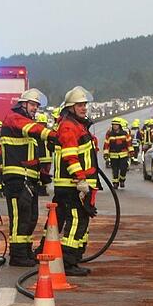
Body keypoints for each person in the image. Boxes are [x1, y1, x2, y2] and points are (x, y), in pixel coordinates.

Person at [1, 89, 53, 267]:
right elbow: (35, 129)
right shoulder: (14, 118)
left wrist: (43, 174)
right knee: (19, 217)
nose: (35, 109)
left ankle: (25, 250)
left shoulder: (27, 123)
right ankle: (17, 255)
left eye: (37, 106)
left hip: (28, 178)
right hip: (16, 177)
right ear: (22, 104)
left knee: (30, 217)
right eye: (32, 105)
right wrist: (53, 134)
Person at [54, 86, 100, 276]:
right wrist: (80, 178)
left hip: (82, 185)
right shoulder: (68, 126)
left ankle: (75, 258)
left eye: (84, 105)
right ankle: (67, 262)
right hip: (72, 185)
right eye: (79, 105)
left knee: (81, 222)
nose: (83, 108)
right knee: (74, 223)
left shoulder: (78, 125)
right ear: (71, 107)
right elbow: (70, 156)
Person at [104, 117, 133, 188]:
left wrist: (131, 151)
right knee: (115, 170)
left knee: (124, 168)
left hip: (123, 154)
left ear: (119, 125)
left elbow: (129, 143)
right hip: (113, 155)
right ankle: (115, 183)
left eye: (116, 125)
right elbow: (106, 144)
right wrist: (106, 154)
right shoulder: (109, 134)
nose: (114, 126)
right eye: (113, 125)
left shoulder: (124, 133)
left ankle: (122, 180)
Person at [35, 112, 53, 196]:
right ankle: (40, 189)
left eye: (43, 124)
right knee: (40, 174)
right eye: (40, 124)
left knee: (46, 174)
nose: (42, 125)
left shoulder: (48, 132)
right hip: (40, 158)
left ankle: (44, 189)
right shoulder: (35, 134)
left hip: (48, 158)